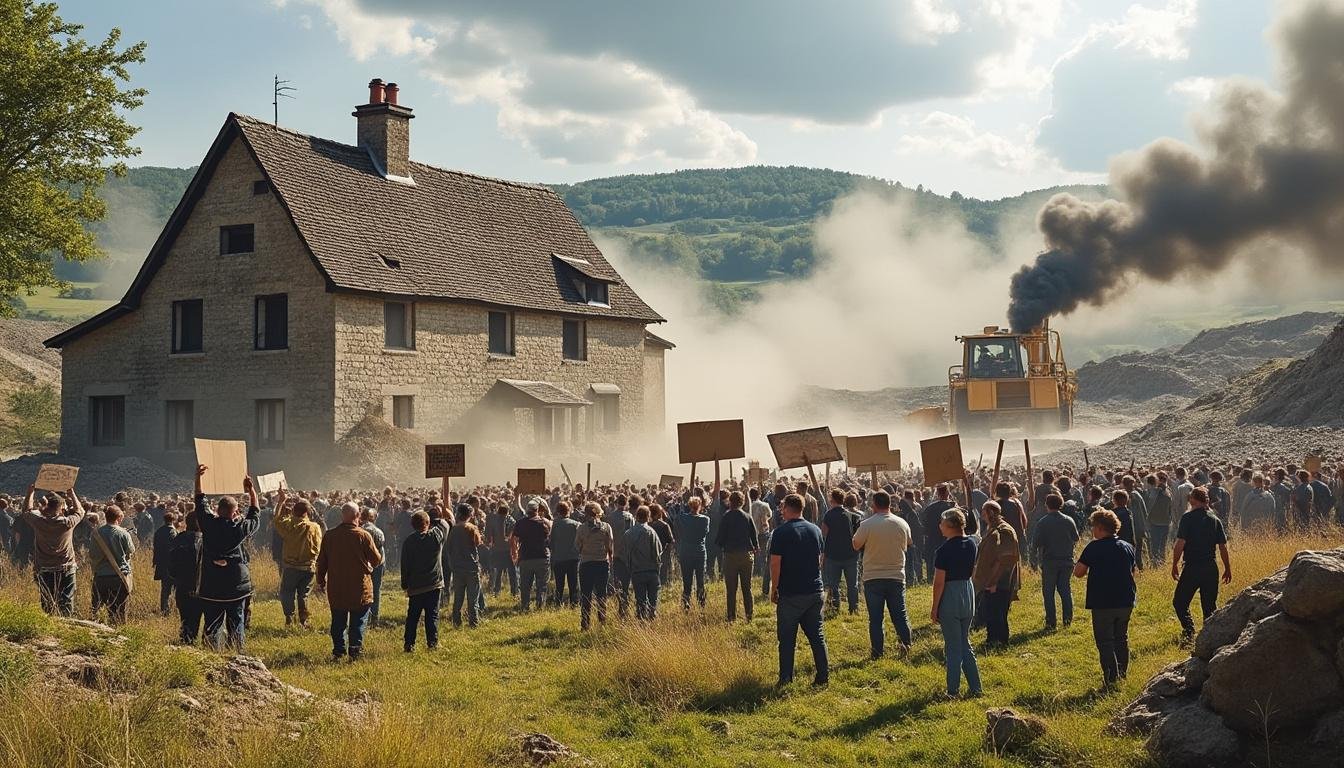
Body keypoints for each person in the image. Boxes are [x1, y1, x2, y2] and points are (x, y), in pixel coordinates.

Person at [194, 466, 260, 652]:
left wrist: (198, 479)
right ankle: (238, 656)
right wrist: (251, 491)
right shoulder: (239, 528)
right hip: (236, 586)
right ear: (235, 511)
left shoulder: (208, 524)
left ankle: (210, 658)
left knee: (212, 625)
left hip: (212, 585)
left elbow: (200, 502)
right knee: (236, 623)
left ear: (218, 509)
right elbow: (255, 513)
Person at [769, 493, 829, 688]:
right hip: (814, 589)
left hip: (791, 593)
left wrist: (774, 588)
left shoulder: (780, 533)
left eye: (782, 507)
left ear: (787, 508)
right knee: (817, 636)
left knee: (787, 639)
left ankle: (786, 678)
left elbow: (775, 563)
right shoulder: (815, 530)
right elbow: (821, 557)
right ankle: (823, 676)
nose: (781, 510)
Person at [1074, 508, 1137, 688]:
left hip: (1103, 601)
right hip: (1125, 599)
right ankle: (1122, 675)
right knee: (1121, 638)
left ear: (1101, 528)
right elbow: (1133, 571)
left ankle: (1111, 678)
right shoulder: (1127, 546)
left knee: (1105, 641)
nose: (1092, 530)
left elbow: (1078, 572)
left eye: (1094, 526)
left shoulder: (1094, 547)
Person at [315, 501, 383, 661]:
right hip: (360, 588)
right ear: (358, 516)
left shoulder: (330, 535)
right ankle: (355, 650)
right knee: (358, 620)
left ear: (342, 516)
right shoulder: (363, 535)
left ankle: (338, 651)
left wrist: (320, 581)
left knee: (338, 620)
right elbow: (376, 560)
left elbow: (322, 562)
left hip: (337, 588)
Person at [851, 490, 912, 659]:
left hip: (873, 576)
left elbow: (856, 545)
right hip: (896, 575)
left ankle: (877, 652)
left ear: (874, 505)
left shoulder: (867, 524)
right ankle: (906, 646)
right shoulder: (901, 523)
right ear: (890, 504)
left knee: (876, 619)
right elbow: (909, 542)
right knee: (900, 615)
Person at [930, 508, 982, 698]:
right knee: (964, 642)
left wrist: (935, 607)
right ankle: (976, 687)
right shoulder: (971, 544)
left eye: (942, 523)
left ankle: (953, 690)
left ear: (950, 526)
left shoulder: (943, 550)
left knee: (952, 646)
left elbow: (939, 582)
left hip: (950, 594)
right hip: (967, 592)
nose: (940, 527)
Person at [1171, 487, 1232, 645]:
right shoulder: (1215, 519)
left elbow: (1180, 544)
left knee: (1180, 602)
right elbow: (1223, 547)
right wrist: (1227, 568)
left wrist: (1174, 564)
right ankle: (1209, 638)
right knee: (1209, 606)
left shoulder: (1187, 518)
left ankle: (1189, 630)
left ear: (1192, 500)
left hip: (1192, 567)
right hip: (1211, 568)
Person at [18, 485, 88, 616]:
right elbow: (80, 512)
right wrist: (72, 494)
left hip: (44, 567)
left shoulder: (39, 522)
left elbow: (26, 511)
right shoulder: (67, 523)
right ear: (62, 508)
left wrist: (30, 492)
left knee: (47, 601)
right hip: (66, 567)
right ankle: (66, 626)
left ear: (47, 506)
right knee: (66, 600)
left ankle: (50, 625)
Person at [271, 486, 322, 628]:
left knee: (287, 593)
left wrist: (281, 501)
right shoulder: (315, 527)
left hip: (290, 567)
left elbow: (276, 520)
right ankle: (303, 620)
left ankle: (289, 617)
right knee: (303, 594)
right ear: (307, 512)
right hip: (308, 567)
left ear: (294, 511)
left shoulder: (289, 525)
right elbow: (318, 546)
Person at [972, 500, 1020, 648]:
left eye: (984, 512)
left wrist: (994, 581)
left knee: (998, 611)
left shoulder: (1004, 530)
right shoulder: (993, 528)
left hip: (1000, 581)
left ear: (991, 512)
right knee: (991, 610)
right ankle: (992, 639)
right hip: (992, 579)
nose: (981, 515)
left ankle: (999, 641)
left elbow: (1004, 560)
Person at [400, 509, 448, 651]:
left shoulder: (408, 541)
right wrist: (438, 516)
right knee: (432, 615)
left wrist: (405, 585)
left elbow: (405, 564)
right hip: (433, 584)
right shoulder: (435, 536)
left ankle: (409, 644)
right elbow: (445, 523)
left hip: (415, 586)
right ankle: (432, 643)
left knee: (412, 616)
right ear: (427, 523)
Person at [1033, 493, 1079, 630]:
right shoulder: (1068, 520)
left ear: (1047, 505)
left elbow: (1035, 543)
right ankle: (1067, 619)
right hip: (1067, 560)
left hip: (1049, 561)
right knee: (1065, 590)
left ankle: (1051, 621)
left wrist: (1034, 560)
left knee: (1048, 592)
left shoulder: (1042, 522)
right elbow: (1076, 538)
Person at [87, 505, 136, 625]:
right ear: (119, 518)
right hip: (119, 577)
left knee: (97, 611)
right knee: (119, 611)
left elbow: (92, 555)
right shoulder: (124, 533)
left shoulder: (96, 533)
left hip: (101, 577)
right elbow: (131, 550)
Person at [716, 491, 758, 621]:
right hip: (748, 554)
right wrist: (755, 548)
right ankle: (749, 615)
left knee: (731, 588)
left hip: (730, 555)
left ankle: (731, 617)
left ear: (730, 502)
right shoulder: (747, 516)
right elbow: (754, 536)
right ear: (742, 502)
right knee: (747, 587)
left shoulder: (726, 517)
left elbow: (719, 539)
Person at [820, 488, 861, 614]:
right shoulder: (853, 516)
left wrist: (823, 553)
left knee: (833, 584)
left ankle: (835, 607)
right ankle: (853, 608)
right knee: (852, 584)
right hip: (851, 555)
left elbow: (823, 534)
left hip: (833, 555)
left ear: (832, 500)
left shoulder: (828, 515)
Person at [575, 502, 614, 631]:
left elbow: (577, 547)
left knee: (586, 595)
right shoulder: (606, 527)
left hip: (586, 563)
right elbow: (610, 547)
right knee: (601, 594)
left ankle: (585, 623)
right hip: (602, 563)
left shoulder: (581, 528)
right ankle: (602, 622)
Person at [621, 506, 663, 621]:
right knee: (653, 602)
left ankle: (641, 623)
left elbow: (625, 554)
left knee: (640, 601)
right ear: (648, 516)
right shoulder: (651, 532)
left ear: (637, 516)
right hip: (651, 571)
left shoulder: (628, 534)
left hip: (636, 571)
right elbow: (657, 552)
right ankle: (652, 623)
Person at [168, 510, 204, 644]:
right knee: (195, 619)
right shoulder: (203, 539)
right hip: (199, 587)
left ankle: (185, 642)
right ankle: (190, 644)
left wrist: (176, 579)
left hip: (181, 586)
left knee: (184, 618)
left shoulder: (178, 538)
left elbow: (171, 564)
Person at [511, 501, 552, 612]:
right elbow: (551, 537)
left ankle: (525, 607)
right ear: (537, 510)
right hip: (542, 556)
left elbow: (513, 539)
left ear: (527, 510)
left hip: (525, 557)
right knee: (541, 585)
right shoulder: (544, 522)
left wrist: (514, 553)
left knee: (525, 585)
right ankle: (540, 607)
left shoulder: (520, 523)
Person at [447, 504, 483, 628]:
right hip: (471, 567)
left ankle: (456, 622)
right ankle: (474, 622)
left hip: (457, 568)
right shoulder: (472, 528)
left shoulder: (453, 529)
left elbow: (449, 548)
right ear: (469, 515)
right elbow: (478, 543)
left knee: (458, 598)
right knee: (473, 599)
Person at [676, 496, 710, 611]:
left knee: (687, 581)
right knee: (700, 580)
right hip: (699, 552)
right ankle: (701, 605)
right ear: (700, 506)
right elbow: (705, 534)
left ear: (689, 506)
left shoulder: (684, 518)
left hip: (686, 551)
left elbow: (678, 516)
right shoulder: (705, 520)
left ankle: (686, 605)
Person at [549, 501, 581, 608]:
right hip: (573, 558)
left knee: (559, 584)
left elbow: (551, 541)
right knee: (573, 584)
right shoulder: (576, 524)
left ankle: (558, 603)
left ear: (558, 511)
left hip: (559, 558)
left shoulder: (555, 524)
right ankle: (574, 604)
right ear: (569, 511)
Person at [360, 508, 386, 625]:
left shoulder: (358, 530)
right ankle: (374, 618)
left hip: (361, 564)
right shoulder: (378, 532)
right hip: (376, 565)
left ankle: (361, 617)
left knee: (361, 590)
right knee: (376, 590)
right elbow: (380, 552)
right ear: (374, 518)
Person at [151, 510, 178, 616]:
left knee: (165, 589)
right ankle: (175, 608)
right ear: (173, 520)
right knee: (175, 588)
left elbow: (155, 548)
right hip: (172, 565)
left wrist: (155, 561)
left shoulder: (158, 531)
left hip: (162, 564)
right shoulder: (174, 532)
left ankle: (164, 610)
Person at [1145, 474, 1172, 566]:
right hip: (1165, 522)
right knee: (1161, 545)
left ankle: (1156, 564)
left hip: (1156, 523)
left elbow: (1149, 506)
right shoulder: (1168, 492)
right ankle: (1161, 563)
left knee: (1155, 546)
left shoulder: (1154, 492)